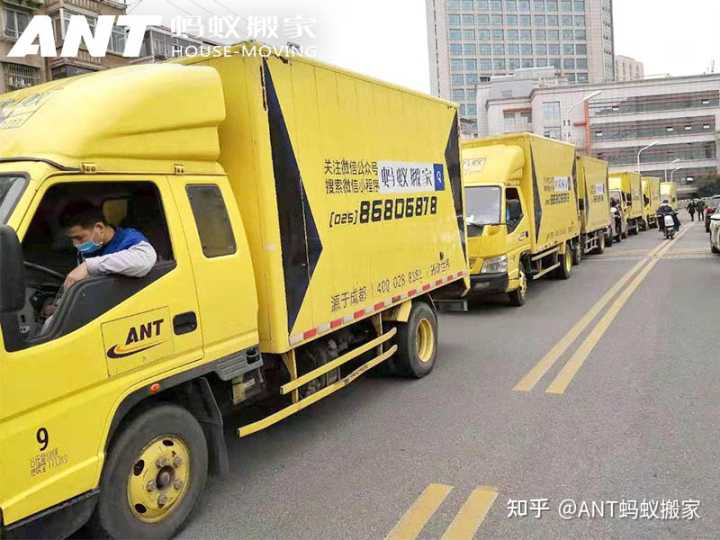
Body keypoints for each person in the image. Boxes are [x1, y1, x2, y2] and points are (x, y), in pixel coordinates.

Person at [59, 200, 157, 290]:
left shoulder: (130, 238)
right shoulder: (90, 248)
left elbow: (144, 261)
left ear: (99, 228)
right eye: (72, 239)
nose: (75, 244)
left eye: (79, 238)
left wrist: (88, 266)